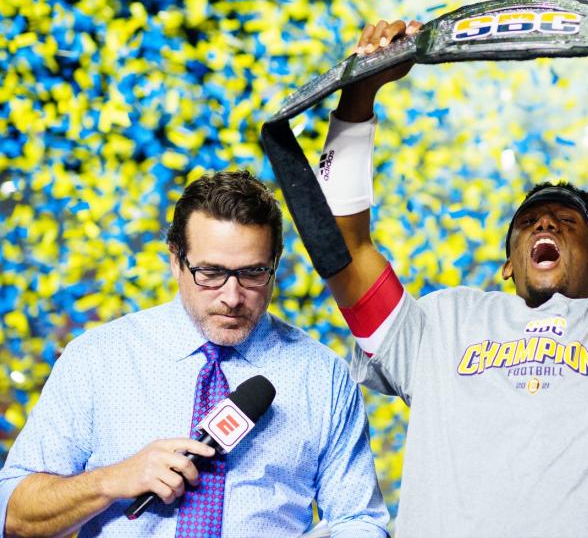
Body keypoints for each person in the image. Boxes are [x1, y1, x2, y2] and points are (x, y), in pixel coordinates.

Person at [313, 0, 588, 536]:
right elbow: (342, 250)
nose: (544, 225)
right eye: (529, 222)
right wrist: (359, 96)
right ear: (508, 266)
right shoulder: (441, 325)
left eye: (567, 221)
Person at [0, 171, 388, 537]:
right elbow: (14, 516)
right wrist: (110, 480)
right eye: (210, 272)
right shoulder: (98, 359)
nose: (232, 297)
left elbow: (361, 520)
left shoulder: (323, 376)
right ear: (175, 259)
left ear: (275, 263)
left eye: (253, 273)